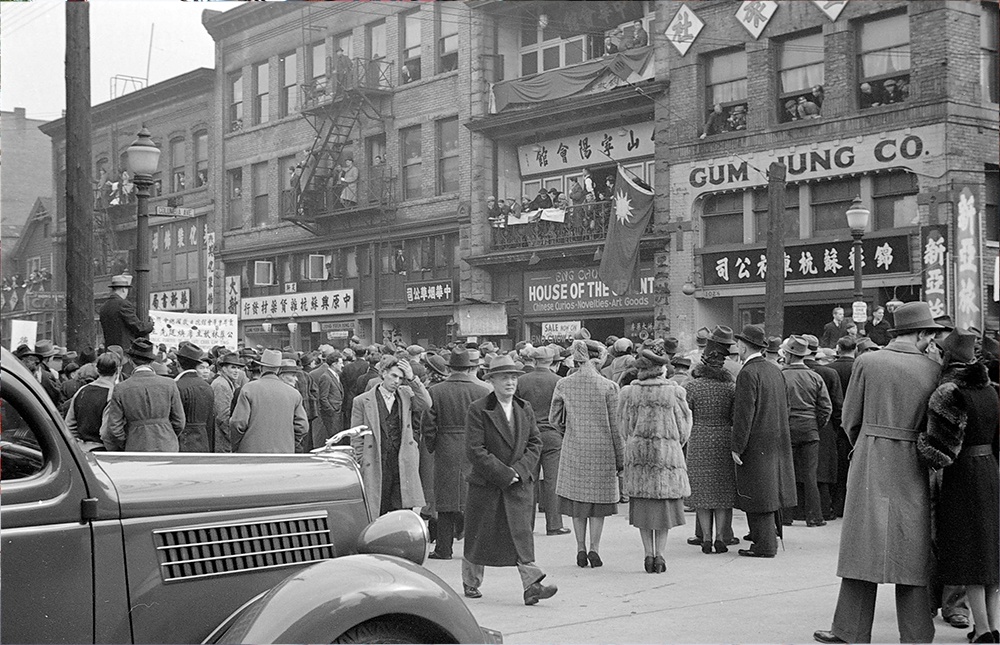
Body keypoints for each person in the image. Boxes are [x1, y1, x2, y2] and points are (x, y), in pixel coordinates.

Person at [813, 301, 945, 644]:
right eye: (929, 334)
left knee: (862, 545)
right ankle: (916, 633)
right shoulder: (933, 370)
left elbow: (849, 419)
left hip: (871, 455)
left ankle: (849, 630)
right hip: (913, 461)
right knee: (911, 548)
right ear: (920, 334)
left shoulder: (868, 361)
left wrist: (868, 441)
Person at [917, 329, 999, 644]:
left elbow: (941, 451)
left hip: (963, 476)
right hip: (990, 471)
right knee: (990, 554)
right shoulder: (990, 389)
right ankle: (992, 625)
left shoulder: (948, 392)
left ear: (948, 356)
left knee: (970, 556)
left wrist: (919, 442)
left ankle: (983, 632)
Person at [462, 355, 557, 606]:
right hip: (488, 483)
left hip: (518, 483)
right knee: (479, 534)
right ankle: (471, 581)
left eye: (514, 377)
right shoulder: (478, 408)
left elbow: (535, 442)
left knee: (521, 535)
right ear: (491, 380)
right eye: (504, 377)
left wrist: (520, 470)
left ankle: (532, 586)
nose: (510, 382)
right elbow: (475, 449)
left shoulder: (523, 408)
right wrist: (504, 473)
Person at [550, 337, 622, 569]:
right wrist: (620, 460)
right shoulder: (609, 387)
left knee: (577, 502)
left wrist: (568, 430)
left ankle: (580, 549)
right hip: (602, 450)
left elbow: (554, 419)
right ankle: (594, 548)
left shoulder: (564, 384)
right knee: (597, 504)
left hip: (574, 446)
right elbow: (616, 427)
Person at [618, 349, 692, 574]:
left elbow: (624, 427)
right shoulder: (675, 392)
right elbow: (684, 427)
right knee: (664, 511)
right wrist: (672, 444)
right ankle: (660, 556)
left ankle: (647, 555)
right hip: (666, 458)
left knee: (643, 511)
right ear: (661, 369)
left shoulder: (629, 393)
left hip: (640, 458)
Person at [731, 324, 797, 558]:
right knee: (772, 491)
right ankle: (767, 539)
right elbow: (786, 405)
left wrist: (737, 446)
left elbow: (744, 414)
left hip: (756, 442)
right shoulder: (774, 369)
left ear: (743, 346)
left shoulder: (748, 373)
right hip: (778, 438)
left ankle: (764, 544)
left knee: (757, 493)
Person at [423, 348, 490, 560]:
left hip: (446, 446)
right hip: (475, 447)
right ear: (471, 367)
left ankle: (444, 548)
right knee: (474, 499)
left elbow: (429, 426)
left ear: (449, 368)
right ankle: (475, 548)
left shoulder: (436, 391)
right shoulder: (485, 390)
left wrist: (433, 445)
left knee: (445, 500)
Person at [351, 355, 430, 518]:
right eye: (394, 376)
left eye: (401, 378)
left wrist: (412, 378)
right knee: (378, 508)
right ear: (383, 373)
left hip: (402, 459)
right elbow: (356, 434)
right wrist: (361, 459)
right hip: (375, 459)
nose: (397, 381)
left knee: (401, 509)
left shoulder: (406, 395)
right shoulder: (362, 401)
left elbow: (426, 403)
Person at [685, 331, 738, 554]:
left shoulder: (692, 386)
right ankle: (720, 537)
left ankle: (705, 537)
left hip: (698, 438)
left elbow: (686, 414)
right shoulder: (730, 387)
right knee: (723, 493)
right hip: (724, 438)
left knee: (702, 493)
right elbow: (736, 415)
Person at [516, 345, 569, 536]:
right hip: (553, 434)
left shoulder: (521, 381)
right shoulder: (559, 381)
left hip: (528, 436)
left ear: (533, 360)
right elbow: (565, 411)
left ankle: (526, 525)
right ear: (552, 362)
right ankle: (554, 524)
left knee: (528, 480)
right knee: (552, 480)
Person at [780, 336, 832, 528]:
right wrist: (817, 424)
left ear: (789, 355)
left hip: (788, 428)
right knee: (810, 475)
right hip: (810, 429)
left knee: (788, 473)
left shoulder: (781, 375)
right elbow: (826, 408)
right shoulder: (815, 377)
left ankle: (786, 516)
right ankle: (814, 517)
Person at [100, 339, 186, 452]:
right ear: (151, 361)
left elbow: (114, 427)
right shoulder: (169, 384)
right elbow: (179, 421)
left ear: (131, 361)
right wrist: (168, 434)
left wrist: (126, 442)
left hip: (135, 444)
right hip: (167, 444)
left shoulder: (121, 388)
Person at [229, 349, 309, 454]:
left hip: (251, 451)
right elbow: (302, 426)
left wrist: (237, 444)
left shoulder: (248, 389)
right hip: (284, 451)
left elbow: (238, 423)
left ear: (261, 368)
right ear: (279, 370)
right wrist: (290, 442)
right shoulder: (294, 394)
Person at [65, 353, 120, 448]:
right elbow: (106, 433)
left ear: (97, 370)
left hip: (80, 450)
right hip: (101, 451)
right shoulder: (112, 395)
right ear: (118, 370)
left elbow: (69, 425)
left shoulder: (81, 391)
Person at [174, 343, 216, 452]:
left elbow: (176, 421)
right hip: (204, 442)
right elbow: (211, 421)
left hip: (181, 443)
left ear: (178, 364)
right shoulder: (207, 386)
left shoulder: (177, 386)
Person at [99, 274, 153, 349]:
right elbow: (139, 328)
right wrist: (150, 324)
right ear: (123, 289)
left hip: (109, 349)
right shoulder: (123, 304)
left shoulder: (104, 306)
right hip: (124, 350)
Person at [311, 348, 345, 449]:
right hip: (331, 415)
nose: (342, 365)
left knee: (336, 438)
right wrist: (331, 411)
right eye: (340, 363)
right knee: (333, 439)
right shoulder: (326, 377)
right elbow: (323, 398)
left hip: (337, 413)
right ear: (334, 364)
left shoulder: (335, 375)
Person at [211, 352, 244, 452]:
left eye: (238, 368)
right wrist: (233, 438)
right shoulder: (221, 385)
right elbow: (223, 416)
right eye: (233, 367)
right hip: (222, 439)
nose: (236, 371)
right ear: (224, 369)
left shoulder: (229, 383)